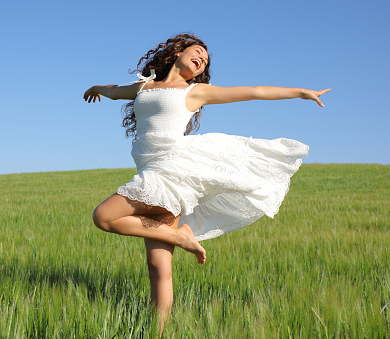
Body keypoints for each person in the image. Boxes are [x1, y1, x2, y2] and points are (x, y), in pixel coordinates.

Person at [83, 33, 330, 328]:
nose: (202, 59)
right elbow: (115, 91)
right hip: (152, 173)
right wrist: (97, 88)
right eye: (197, 51)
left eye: (205, 60)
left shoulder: (195, 92)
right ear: (177, 52)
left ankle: (179, 236)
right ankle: (157, 333)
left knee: (104, 216)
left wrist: (301, 91)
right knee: (158, 270)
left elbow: (253, 91)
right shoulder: (144, 86)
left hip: (168, 172)